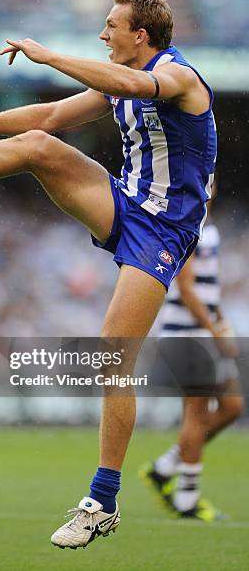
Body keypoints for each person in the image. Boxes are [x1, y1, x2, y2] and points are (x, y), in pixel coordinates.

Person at [0, 0, 217, 549]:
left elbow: (132, 84)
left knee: (114, 356)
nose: (103, 34)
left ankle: (100, 502)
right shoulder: (119, 82)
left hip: (166, 229)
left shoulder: (178, 77)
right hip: (126, 202)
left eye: (112, 26)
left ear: (142, 36)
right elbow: (55, 114)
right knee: (38, 144)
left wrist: (49, 55)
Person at [140, 190, 244, 521]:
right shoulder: (184, 225)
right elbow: (185, 289)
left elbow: (208, 288)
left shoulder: (208, 228)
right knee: (196, 413)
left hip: (205, 329)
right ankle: (187, 497)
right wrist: (214, 331)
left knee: (232, 406)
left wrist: (221, 320)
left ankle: (165, 467)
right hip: (188, 332)